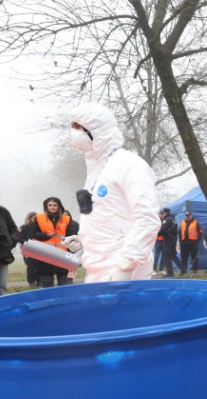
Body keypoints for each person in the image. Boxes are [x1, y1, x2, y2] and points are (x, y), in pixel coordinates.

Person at [65, 102, 161, 282]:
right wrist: (82, 240)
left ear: (96, 128)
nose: (74, 132)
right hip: (98, 268)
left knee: (128, 311)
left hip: (123, 269)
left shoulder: (129, 165)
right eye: (72, 127)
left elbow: (147, 218)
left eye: (78, 126)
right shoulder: (97, 170)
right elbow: (109, 216)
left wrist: (127, 264)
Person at [30, 197, 79, 287]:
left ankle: (64, 300)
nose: (52, 207)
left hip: (63, 255)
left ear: (59, 206)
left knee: (64, 286)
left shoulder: (67, 219)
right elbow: (33, 235)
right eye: (50, 205)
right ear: (46, 206)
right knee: (47, 286)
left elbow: (72, 235)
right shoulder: (39, 218)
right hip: (46, 256)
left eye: (55, 205)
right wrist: (45, 235)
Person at [158, 208, 184, 277]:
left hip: (168, 240)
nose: (162, 214)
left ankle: (170, 273)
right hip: (173, 239)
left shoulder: (167, 220)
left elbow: (163, 230)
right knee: (173, 255)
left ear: (165, 213)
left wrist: (156, 234)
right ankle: (183, 269)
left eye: (162, 213)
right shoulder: (174, 220)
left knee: (166, 256)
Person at [18, 211, 39, 287]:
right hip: (28, 249)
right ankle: (31, 281)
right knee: (31, 266)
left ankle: (39, 280)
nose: (36, 219)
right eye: (34, 217)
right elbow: (19, 238)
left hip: (39, 250)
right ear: (29, 218)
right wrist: (28, 244)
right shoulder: (24, 227)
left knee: (39, 266)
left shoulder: (39, 228)